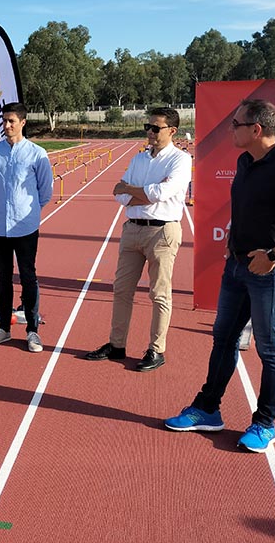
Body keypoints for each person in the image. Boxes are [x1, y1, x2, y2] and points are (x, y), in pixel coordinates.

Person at [164, 99, 275, 453]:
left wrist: (271, 256)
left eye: (235, 124)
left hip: (270, 271)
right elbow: (249, 209)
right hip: (236, 266)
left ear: (256, 130)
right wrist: (235, 243)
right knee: (223, 338)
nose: (230, 129)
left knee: (270, 349)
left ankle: (265, 423)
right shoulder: (245, 161)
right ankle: (207, 408)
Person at [85, 107, 192, 372]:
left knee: (159, 293)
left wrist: (133, 191)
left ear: (172, 131)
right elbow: (118, 193)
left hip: (162, 231)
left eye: (156, 128)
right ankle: (117, 344)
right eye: (148, 126)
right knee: (121, 289)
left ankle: (156, 349)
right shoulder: (139, 159)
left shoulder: (180, 160)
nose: (150, 132)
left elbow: (162, 192)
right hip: (132, 229)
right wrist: (141, 193)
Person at [0, 102, 53, 353]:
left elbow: (45, 191)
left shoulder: (37, 153)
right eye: (4, 121)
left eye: (12, 121)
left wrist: (28, 211)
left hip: (25, 225)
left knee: (28, 276)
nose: (7, 125)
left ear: (23, 122)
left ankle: (32, 331)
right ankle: (4, 328)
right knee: (3, 277)